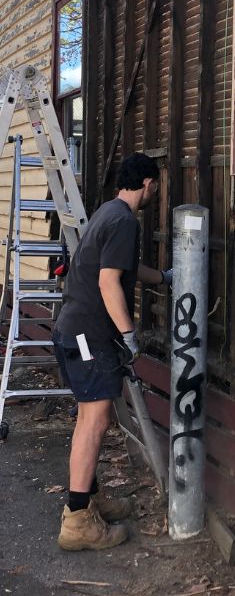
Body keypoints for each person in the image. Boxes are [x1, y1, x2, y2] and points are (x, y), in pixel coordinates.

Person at [53, 153, 172, 551]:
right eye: (157, 186)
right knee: (95, 419)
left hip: (74, 328)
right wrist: (129, 332)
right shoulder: (123, 220)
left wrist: (163, 278)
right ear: (149, 184)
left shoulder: (109, 212)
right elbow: (109, 282)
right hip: (89, 335)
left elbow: (125, 267)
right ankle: (77, 521)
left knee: (91, 417)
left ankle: (87, 497)